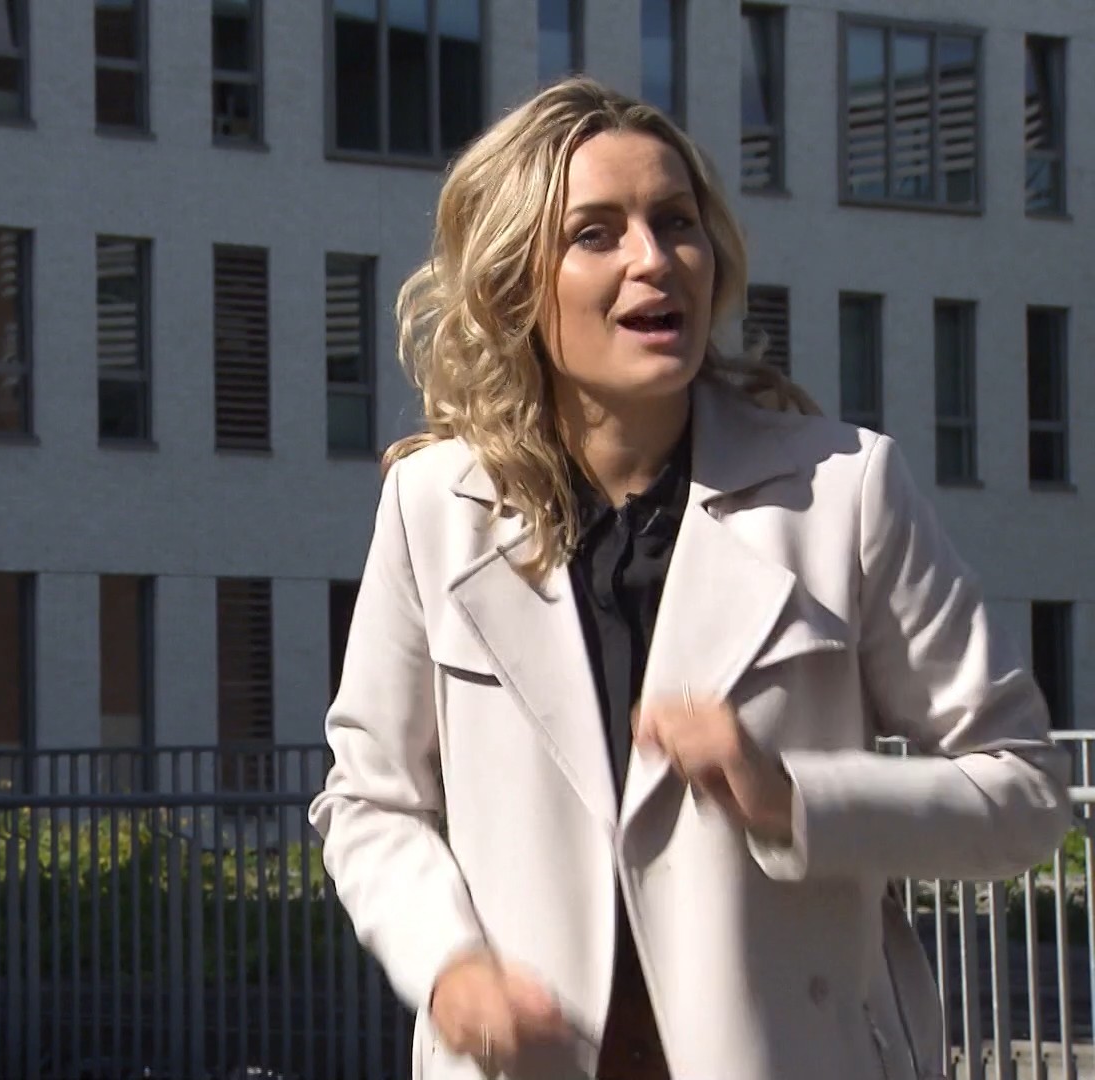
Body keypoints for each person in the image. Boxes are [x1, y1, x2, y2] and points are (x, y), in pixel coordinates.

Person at [307, 75, 1072, 1080]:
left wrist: (792, 799)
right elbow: (370, 804)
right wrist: (448, 967)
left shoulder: (844, 491)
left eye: (676, 222)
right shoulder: (431, 507)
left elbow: (1025, 792)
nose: (653, 259)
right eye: (596, 233)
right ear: (515, 283)